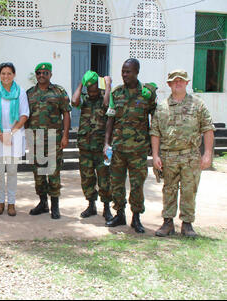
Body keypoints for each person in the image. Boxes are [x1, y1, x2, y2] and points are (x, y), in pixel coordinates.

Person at [150, 69, 215, 238]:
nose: (178, 83)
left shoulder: (198, 104)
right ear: (169, 84)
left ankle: (187, 224)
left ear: (187, 83)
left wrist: (207, 154)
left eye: (181, 80)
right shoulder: (162, 107)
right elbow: (155, 132)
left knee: (189, 190)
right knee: (169, 190)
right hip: (168, 156)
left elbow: (208, 129)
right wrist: (155, 156)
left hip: (190, 155)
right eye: (174, 80)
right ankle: (167, 223)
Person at [104, 58, 157, 233]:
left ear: (137, 72)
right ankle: (120, 214)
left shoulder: (146, 94)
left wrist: (155, 145)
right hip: (118, 149)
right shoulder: (116, 93)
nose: (125, 74)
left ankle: (136, 218)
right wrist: (106, 143)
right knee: (116, 184)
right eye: (123, 71)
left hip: (138, 150)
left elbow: (155, 119)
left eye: (128, 71)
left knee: (137, 185)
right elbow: (110, 119)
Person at [26, 62, 71, 219]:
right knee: (38, 174)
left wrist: (65, 136)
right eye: (39, 73)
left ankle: (55, 206)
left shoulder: (59, 92)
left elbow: (66, 114)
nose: (41, 75)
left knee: (53, 173)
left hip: (54, 139)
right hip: (35, 140)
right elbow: (26, 116)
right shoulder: (29, 93)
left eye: (45, 72)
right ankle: (43, 203)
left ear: (50, 74)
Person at [0, 62, 30, 216]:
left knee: (12, 171)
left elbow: (24, 114)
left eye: (9, 73)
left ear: (14, 75)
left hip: (15, 134)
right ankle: (0, 202)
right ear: (0, 75)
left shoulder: (20, 92)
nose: (6, 76)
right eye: (3, 73)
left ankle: (11, 203)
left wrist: (10, 133)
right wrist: (0, 133)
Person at [71, 70, 113, 222]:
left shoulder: (105, 96)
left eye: (94, 89)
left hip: (103, 147)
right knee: (87, 178)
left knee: (105, 179)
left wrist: (108, 86)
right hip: (85, 148)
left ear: (99, 86)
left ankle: (107, 208)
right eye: (89, 89)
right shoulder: (85, 99)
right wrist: (82, 82)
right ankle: (91, 206)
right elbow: (74, 101)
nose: (92, 92)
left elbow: (107, 105)